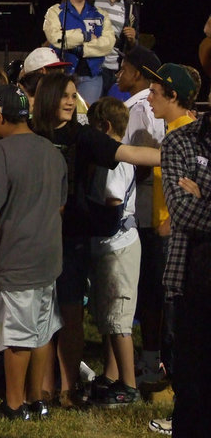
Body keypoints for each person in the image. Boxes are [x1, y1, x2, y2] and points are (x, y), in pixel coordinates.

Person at [32, 73, 161, 408]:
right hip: (35, 237)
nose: (69, 101)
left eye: (73, 96)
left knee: (71, 315)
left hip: (72, 238)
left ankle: (68, 389)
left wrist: (169, 156)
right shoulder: (31, 134)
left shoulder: (83, 135)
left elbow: (127, 152)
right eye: (63, 95)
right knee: (40, 315)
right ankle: (42, 388)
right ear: (47, 98)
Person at [0, 84, 67, 420]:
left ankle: (15, 406)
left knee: (16, 336)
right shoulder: (51, 150)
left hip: (14, 258)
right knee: (41, 331)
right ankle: (36, 399)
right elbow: (59, 205)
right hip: (47, 257)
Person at [153, 111, 211, 437]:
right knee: (191, 395)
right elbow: (183, 211)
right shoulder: (180, 141)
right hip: (191, 285)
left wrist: (204, 195)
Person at [143, 63, 201, 384]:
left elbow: (194, 191)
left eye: (154, 92)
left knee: (174, 316)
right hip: (165, 233)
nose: (148, 97)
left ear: (173, 95)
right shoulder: (175, 130)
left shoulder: (183, 135)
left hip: (174, 237)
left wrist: (170, 224)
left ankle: (177, 389)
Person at [114, 45, 166, 383]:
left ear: (139, 73)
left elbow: (143, 159)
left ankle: (149, 363)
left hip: (144, 211)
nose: (119, 73)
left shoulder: (138, 107)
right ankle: (151, 359)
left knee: (147, 291)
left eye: (124, 67)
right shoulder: (144, 104)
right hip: (151, 209)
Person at [85, 98, 141, 407]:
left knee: (119, 320)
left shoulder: (115, 161)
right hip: (109, 246)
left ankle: (129, 384)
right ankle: (111, 375)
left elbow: (112, 201)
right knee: (108, 317)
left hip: (118, 246)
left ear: (104, 128)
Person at [43, 0, 116, 105]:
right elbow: (56, 38)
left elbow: (108, 43)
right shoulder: (55, 11)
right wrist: (85, 36)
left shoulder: (100, 14)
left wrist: (82, 50)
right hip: (61, 75)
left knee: (85, 117)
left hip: (91, 76)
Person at [89, 0, 143, 97]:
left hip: (114, 73)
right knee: (88, 114)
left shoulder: (129, 7)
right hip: (92, 70)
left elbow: (134, 45)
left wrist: (132, 39)